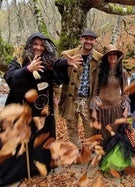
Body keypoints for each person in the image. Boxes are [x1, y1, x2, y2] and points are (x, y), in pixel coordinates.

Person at [0, 32, 82, 185]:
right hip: (21, 111)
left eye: (42, 45)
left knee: (41, 138)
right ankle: (16, 172)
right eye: (35, 44)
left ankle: (40, 166)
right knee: (21, 139)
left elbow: (56, 66)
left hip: (42, 111)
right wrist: (27, 70)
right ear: (30, 46)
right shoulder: (19, 61)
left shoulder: (47, 62)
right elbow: (10, 77)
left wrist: (66, 62)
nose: (38, 47)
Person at [58, 30, 102, 147]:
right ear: (81, 39)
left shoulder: (99, 58)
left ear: (95, 41)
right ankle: (76, 150)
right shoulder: (69, 54)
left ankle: (87, 151)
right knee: (71, 126)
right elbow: (58, 70)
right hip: (71, 97)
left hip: (87, 99)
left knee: (90, 127)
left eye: (91, 39)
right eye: (86, 38)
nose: (88, 41)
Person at [90, 44, 129, 147]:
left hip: (117, 109)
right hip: (102, 109)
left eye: (115, 54)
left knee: (115, 135)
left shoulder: (122, 72)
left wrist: (125, 109)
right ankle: (102, 158)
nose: (112, 57)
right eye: (110, 54)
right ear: (106, 57)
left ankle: (112, 158)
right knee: (103, 135)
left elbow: (125, 92)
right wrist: (94, 110)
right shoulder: (100, 72)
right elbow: (95, 92)